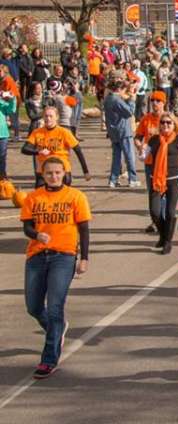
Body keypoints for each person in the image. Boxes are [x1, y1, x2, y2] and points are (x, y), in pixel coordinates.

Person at [20, 157, 91, 380]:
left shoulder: (75, 196)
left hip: (64, 256)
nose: (54, 176)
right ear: (43, 174)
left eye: (58, 172)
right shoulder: (33, 197)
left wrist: (84, 258)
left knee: (54, 306)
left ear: (64, 173)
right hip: (37, 256)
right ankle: (57, 328)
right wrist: (36, 234)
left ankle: (49, 359)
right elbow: (27, 227)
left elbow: (84, 228)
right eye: (49, 173)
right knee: (33, 306)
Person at [143, 113, 178, 254]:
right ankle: (163, 235)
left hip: (174, 180)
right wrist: (142, 148)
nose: (165, 125)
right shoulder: (154, 140)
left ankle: (167, 242)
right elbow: (143, 157)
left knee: (170, 213)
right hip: (157, 180)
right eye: (163, 122)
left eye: (168, 123)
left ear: (174, 125)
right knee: (155, 212)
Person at [22, 106, 90, 188]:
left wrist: (85, 172)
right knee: (40, 196)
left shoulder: (64, 132)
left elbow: (78, 151)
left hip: (61, 169)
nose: (48, 119)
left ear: (57, 117)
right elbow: (24, 149)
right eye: (46, 116)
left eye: (51, 116)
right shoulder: (37, 132)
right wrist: (38, 152)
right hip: (43, 170)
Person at [103, 80, 140, 188]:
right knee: (129, 156)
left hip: (113, 131)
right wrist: (132, 100)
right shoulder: (117, 100)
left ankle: (113, 180)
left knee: (116, 157)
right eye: (124, 89)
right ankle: (132, 179)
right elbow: (129, 112)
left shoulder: (108, 99)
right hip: (123, 130)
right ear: (119, 89)